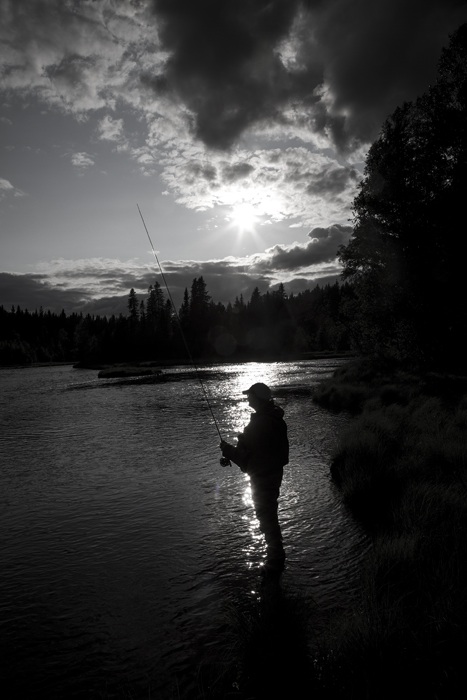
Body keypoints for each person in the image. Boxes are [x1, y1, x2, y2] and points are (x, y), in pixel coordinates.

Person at [220, 382, 289, 578]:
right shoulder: (275, 418)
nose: (247, 398)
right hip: (273, 474)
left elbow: (245, 456)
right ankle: (276, 557)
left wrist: (227, 450)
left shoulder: (260, 423)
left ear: (258, 398)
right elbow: (252, 452)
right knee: (269, 515)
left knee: (266, 517)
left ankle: (275, 561)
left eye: (250, 395)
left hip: (262, 477)